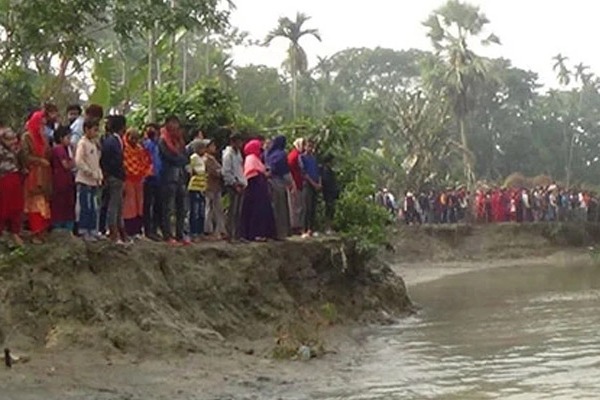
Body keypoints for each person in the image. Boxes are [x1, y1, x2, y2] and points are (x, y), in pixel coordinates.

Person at [22, 110, 53, 243]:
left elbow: (48, 154)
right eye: (40, 123)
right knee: (34, 204)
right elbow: (24, 156)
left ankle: (42, 231)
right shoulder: (27, 137)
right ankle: (35, 232)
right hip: (33, 174)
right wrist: (39, 161)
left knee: (44, 203)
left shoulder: (43, 138)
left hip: (44, 174)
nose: (42, 126)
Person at [159, 116, 190, 245]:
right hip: (168, 177)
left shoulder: (180, 141)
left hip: (180, 177)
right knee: (168, 207)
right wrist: (179, 158)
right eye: (173, 124)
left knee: (181, 208)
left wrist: (179, 158)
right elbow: (168, 157)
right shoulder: (163, 140)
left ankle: (180, 234)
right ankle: (167, 235)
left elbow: (185, 158)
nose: (175, 127)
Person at [240, 139, 276, 242]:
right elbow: (251, 173)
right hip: (254, 189)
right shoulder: (251, 158)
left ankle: (262, 233)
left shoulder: (256, 158)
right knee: (255, 212)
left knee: (262, 211)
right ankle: (255, 234)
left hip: (260, 189)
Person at [101, 115, 128, 244]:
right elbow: (111, 161)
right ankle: (113, 232)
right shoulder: (113, 141)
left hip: (116, 176)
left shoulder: (114, 140)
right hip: (115, 176)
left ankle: (120, 231)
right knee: (114, 205)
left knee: (118, 205)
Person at [75, 119, 103, 241]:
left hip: (94, 181)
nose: (96, 133)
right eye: (94, 130)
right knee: (86, 206)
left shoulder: (93, 144)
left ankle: (93, 230)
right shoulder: (82, 143)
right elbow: (79, 161)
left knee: (94, 207)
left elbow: (96, 163)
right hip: (85, 180)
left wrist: (99, 175)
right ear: (86, 129)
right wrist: (89, 172)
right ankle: (84, 230)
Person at [123, 128, 152, 238]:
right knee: (129, 205)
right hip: (128, 179)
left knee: (139, 204)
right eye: (132, 138)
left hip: (139, 179)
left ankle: (138, 229)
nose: (134, 141)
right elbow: (124, 164)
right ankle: (129, 229)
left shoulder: (140, 149)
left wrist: (144, 173)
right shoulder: (124, 148)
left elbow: (145, 162)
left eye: (136, 138)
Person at [0, 128, 25, 247]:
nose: (13, 142)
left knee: (16, 206)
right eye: (10, 140)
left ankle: (14, 232)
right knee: (4, 207)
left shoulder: (14, 149)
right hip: (4, 180)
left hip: (14, 178)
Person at [266, 135, 293, 240]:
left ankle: (271, 232)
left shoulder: (269, 154)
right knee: (280, 209)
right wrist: (290, 183)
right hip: (279, 184)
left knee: (272, 208)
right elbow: (284, 171)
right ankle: (280, 233)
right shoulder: (282, 155)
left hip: (269, 183)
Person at [50, 126, 76, 232]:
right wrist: (73, 159)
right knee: (60, 204)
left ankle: (67, 226)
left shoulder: (65, 149)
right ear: (61, 138)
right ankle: (59, 225)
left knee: (67, 203)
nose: (69, 141)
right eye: (68, 138)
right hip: (61, 180)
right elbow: (66, 165)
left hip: (66, 180)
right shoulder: (59, 149)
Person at [222, 132, 246, 241]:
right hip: (232, 185)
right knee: (232, 210)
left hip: (241, 183)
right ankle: (229, 234)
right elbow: (226, 171)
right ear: (232, 142)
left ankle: (237, 234)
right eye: (238, 141)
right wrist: (234, 184)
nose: (240, 144)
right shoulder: (228, 154)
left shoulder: (238, 154)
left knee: (238, 212)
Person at [142, 123, 162, 241]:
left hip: (158, 178)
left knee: (157, 204)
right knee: (148, 204)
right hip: (149, 178)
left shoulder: (158, 145)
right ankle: (148, 229)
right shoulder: (147, 145)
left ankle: (154, 229)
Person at [204, 138, 227, 240]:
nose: (214, 147)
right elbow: (215, 171)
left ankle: (220, 230)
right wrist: (221, 172)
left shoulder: (212, 159)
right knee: (209, 208)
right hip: (209, 186)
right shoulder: (207, 159)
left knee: (218, 208)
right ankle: (208, 229)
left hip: (216, 186)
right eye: (212, 146)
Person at [299, 139, 321, 238]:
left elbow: (318, 171)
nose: (310, 148)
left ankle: (311, 229)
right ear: (304, 147)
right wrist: (313, 183)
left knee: (313, 207)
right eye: (308, 146)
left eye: (311, 147)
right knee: (306, 207)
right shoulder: (302, 157)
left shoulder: (314, 158)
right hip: (307, 184)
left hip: (315, 184)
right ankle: (304, 229)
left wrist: (319, 183)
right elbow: (304, 173)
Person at [187, 139, 208, 241]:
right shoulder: (193, 158)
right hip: (194, 187)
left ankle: (200, 232)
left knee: (201, 211)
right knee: (194, 211)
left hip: (202, 187)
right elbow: (191, 170)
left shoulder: (204, 159)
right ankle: (193, 232)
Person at [287, 138, 305, 234]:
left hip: (297, 182)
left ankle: (296, 225)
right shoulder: (295, 156)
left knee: (297, 205)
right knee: (296, 206)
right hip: (295, 183)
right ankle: (295, 226)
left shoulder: (295, 155)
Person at [320, 154, 339, 235]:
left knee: (331, 211)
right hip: (328, 193)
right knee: (329, 210)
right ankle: (327, 228)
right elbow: (327, 183)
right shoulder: (326, 171)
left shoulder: (329, 170)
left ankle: (329, 227)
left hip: (331, 193)